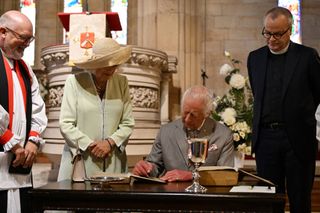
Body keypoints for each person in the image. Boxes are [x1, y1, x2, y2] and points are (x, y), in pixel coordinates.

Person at [247, 6, 320, 213]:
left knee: (300, 199)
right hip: (266, 139)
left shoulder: (307, 56)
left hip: (297, 138)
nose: (272, 39)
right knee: (270, 200)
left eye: (278, 34)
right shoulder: (255, 58)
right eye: (267, 33)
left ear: (290, 29)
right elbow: (258, 93)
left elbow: (318, 94)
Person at [58, 37, 135, 181]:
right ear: (94, 64)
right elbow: (66, 124)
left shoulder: (121, 82)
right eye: (106, 64)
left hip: (113, 161)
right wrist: (90, 145)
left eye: (114, 64)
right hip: (81, 161)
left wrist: (109, 143)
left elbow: (128, 123)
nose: (111, 69)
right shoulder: (74, 82)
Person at [132, 85, 234, 182]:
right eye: (185, 112)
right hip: (172, 194)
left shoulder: (223, 135)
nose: (187, 119)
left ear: (207, 114)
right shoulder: (166, 131)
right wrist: (145, 169)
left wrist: (191, 175)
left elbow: (225, 175)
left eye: (193, 115)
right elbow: (154, 166)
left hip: (206, 197)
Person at [0, 10, 48, 213]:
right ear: (3, 32)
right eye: (23, 38)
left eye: (31, 39)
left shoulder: (26, 69)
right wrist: (10, 141)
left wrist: (32, 141)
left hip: (21, 163)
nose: (27, 44)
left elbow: (38, 107)